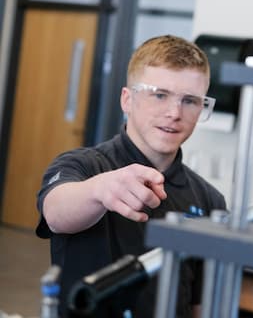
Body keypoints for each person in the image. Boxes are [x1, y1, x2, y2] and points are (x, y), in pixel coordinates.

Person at [35, 35, 226, 317]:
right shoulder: (83, 166)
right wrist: (99, 191)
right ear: (127, 99)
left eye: (190, 100)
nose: (174, 113)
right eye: (160, 95)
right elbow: (55, 212)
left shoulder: (209, 199)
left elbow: (200, 304)